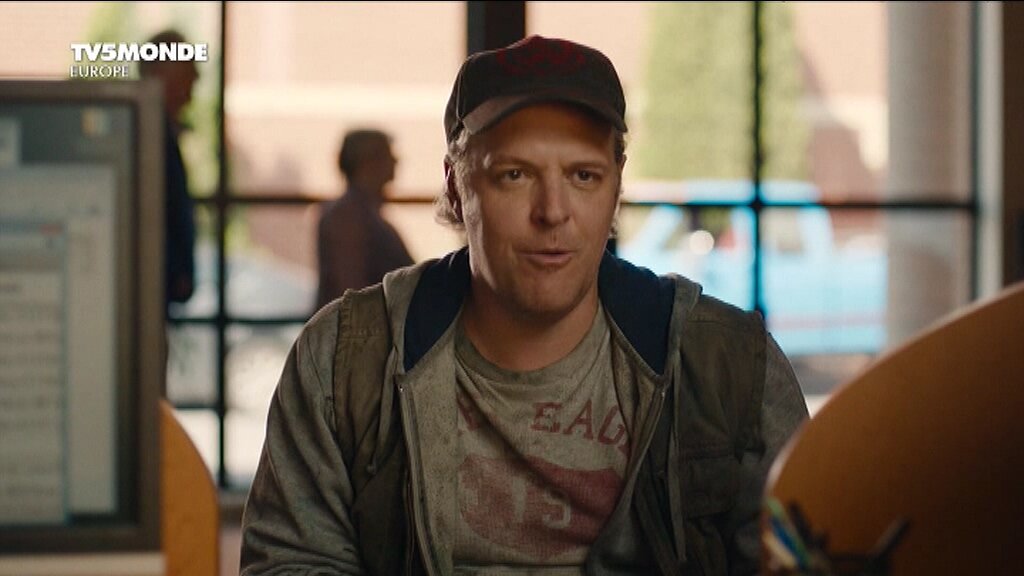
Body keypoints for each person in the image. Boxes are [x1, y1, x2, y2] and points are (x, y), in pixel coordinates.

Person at [241, 36, 808, 575]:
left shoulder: (727, 365)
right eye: (514, 175)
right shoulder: (345, 362)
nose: (553, 211)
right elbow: (290, 561)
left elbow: (807, 556)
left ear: (616, 188)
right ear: (457, 186)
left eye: (583, 176)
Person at [314, 129, 414, 311]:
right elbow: (350, 290)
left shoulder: (365, 216)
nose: (395, 161)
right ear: (368, 161)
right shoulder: (346, 216)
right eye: (387, 154)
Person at [139, 29, 197, 311]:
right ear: (161, 74)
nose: (196, 77)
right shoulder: (149, 138)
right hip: (153, 288)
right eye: (187, 69)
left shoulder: (159, 134)